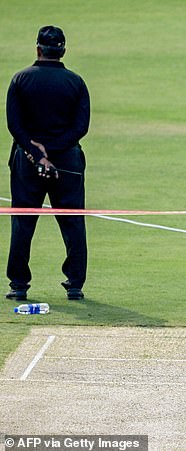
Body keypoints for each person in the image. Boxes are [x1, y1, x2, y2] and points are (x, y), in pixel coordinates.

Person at [5, 25, 90, 301]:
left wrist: (35, 150)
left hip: (27, 162)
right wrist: (51, 151)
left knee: (23, 222)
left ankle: (18, 285)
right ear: (63, 50)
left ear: (38, 49)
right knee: (72, 222)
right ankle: (75, 284)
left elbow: (14, 125)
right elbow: (81, 127)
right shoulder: (75, 82)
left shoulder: (20, 80)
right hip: (66, 161)